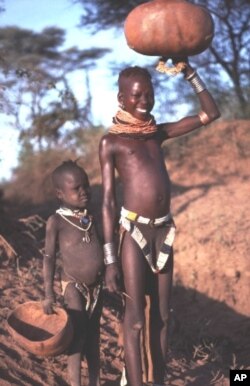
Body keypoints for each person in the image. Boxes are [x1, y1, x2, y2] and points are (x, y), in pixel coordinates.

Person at [99, 59, 220, 386]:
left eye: (149, 94)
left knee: (163, 317)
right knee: (135, 320)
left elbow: (211, 113)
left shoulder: (158, 133)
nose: (144, 101)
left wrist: (191, 73)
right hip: (133, 232)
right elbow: (108, 202)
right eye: (137, 96)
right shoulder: (112, 143)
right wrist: (110, 259)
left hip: (164, 230)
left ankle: (158, 382)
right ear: (122, 99)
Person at [43, 160, 104, 386]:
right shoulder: (56, 221)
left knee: (94, 338)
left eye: (86, 185)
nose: (83, 191)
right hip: (73, 285)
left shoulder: (94, 216)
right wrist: (48, 294)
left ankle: (95, 383)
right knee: (77, 336)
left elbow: (105, 245)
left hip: (97, 286)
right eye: (76, 188)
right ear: (60, 193)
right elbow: (48, 259)